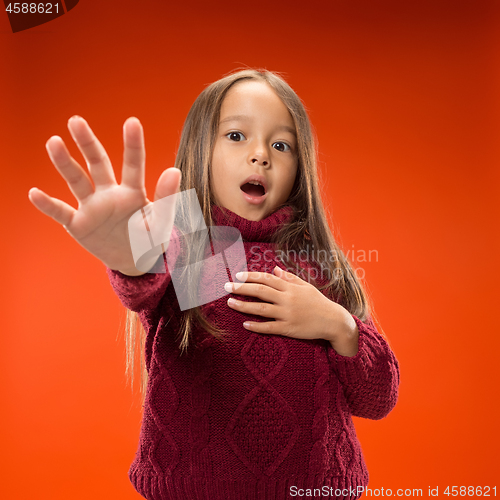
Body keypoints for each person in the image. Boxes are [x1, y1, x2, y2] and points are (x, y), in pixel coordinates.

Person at [28, 68, 400, 500]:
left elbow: (378, 399)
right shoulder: (187, 246)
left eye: (281, 145)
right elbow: (143, 287)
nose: (261, 155)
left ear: (301, 169)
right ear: (200, 151)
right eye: (237, 136)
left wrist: (339, 325)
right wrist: (131, 257)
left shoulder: (319, 264)